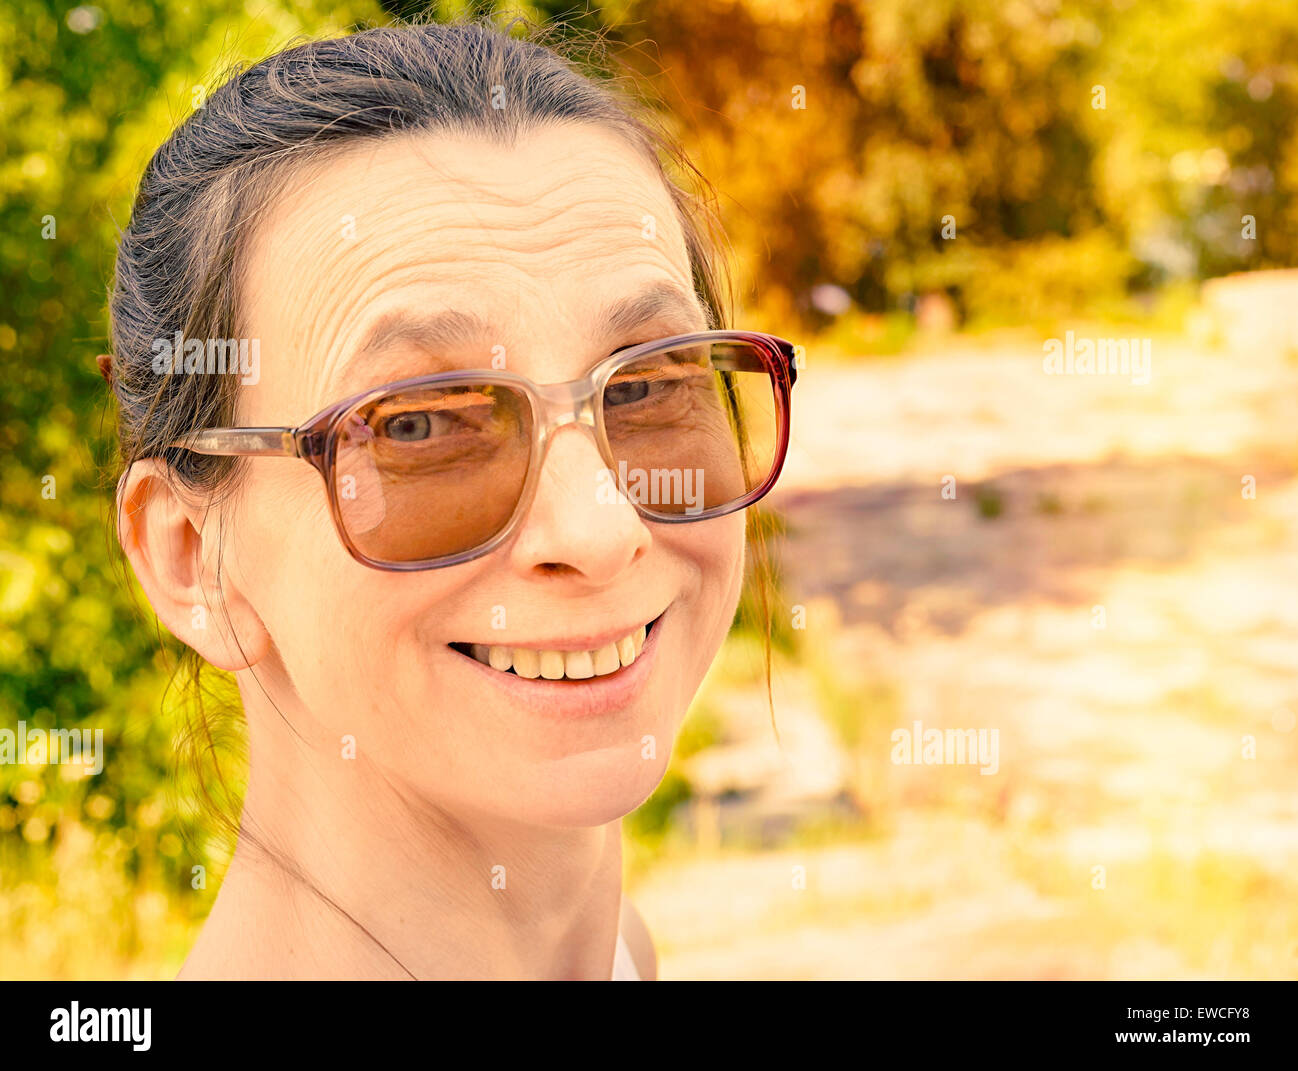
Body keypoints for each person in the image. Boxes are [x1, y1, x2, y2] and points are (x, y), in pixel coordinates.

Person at [102, 17, 796, 980]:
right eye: (421, 423)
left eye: (644, 385)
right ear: (191, 559)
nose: (600, 530)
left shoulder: (626, 954)